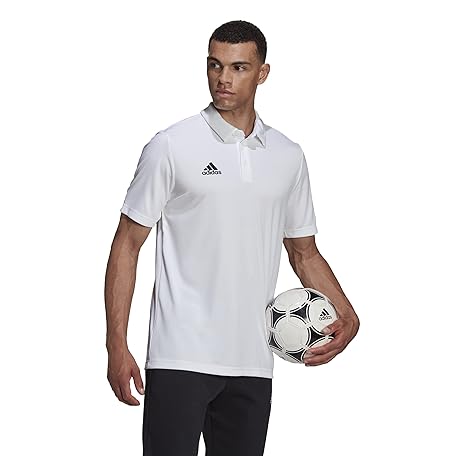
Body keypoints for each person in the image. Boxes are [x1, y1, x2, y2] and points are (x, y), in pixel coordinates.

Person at [104, 19, 360, 456]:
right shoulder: (171, 145)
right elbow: (126, 245)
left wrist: (348, 314)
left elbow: (304, 252)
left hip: (253, 361)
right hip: (179, 356)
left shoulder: (288, 156)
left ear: (262, 73)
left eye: (238, 67)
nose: (223, 78)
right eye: (215, 65)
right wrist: (116, 344)